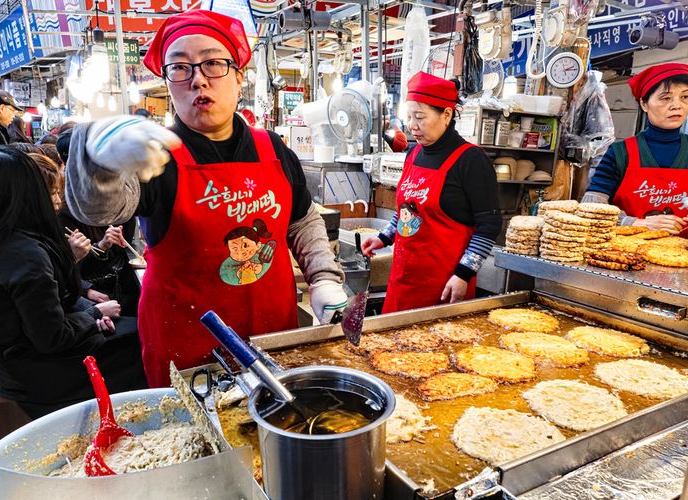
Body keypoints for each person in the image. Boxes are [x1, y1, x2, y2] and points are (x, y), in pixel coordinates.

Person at [65, 11, 347, 387]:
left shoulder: (273, 149)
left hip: (273, 335)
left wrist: (323, 277)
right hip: (188, 348)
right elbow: (98, 209)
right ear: (168, 83)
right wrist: (95, 162)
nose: (198, 79)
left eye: (213, 63)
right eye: (180, 68)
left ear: (238, 77)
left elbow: (301, 218)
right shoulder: (155, 156)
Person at [0, 147, 147, 418]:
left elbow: (43, 309)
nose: (58, 199)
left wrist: (87, 314)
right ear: (28, 195)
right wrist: (93, 314)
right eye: (51, 192)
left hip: (3, 362)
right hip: (34, 374)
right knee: (144, 338)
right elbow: (53, 338)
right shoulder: (24, 255)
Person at [362, 72, 502, 313]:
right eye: (408, 117)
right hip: (403, 281)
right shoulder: (413, 154)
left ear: (446, 114)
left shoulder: (470, 160)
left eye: (420, 117)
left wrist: (463, 274)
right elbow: (406, 211)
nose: (412, 126)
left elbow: (489, 225)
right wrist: (383, 237)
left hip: (445, 286)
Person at [583, 63, 688, 233]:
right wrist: (633, 223)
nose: (677, 105)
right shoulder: (620, 152)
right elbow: (591, 206)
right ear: (644, 103)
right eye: (666, 98)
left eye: (685, 97)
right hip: (624, 251)